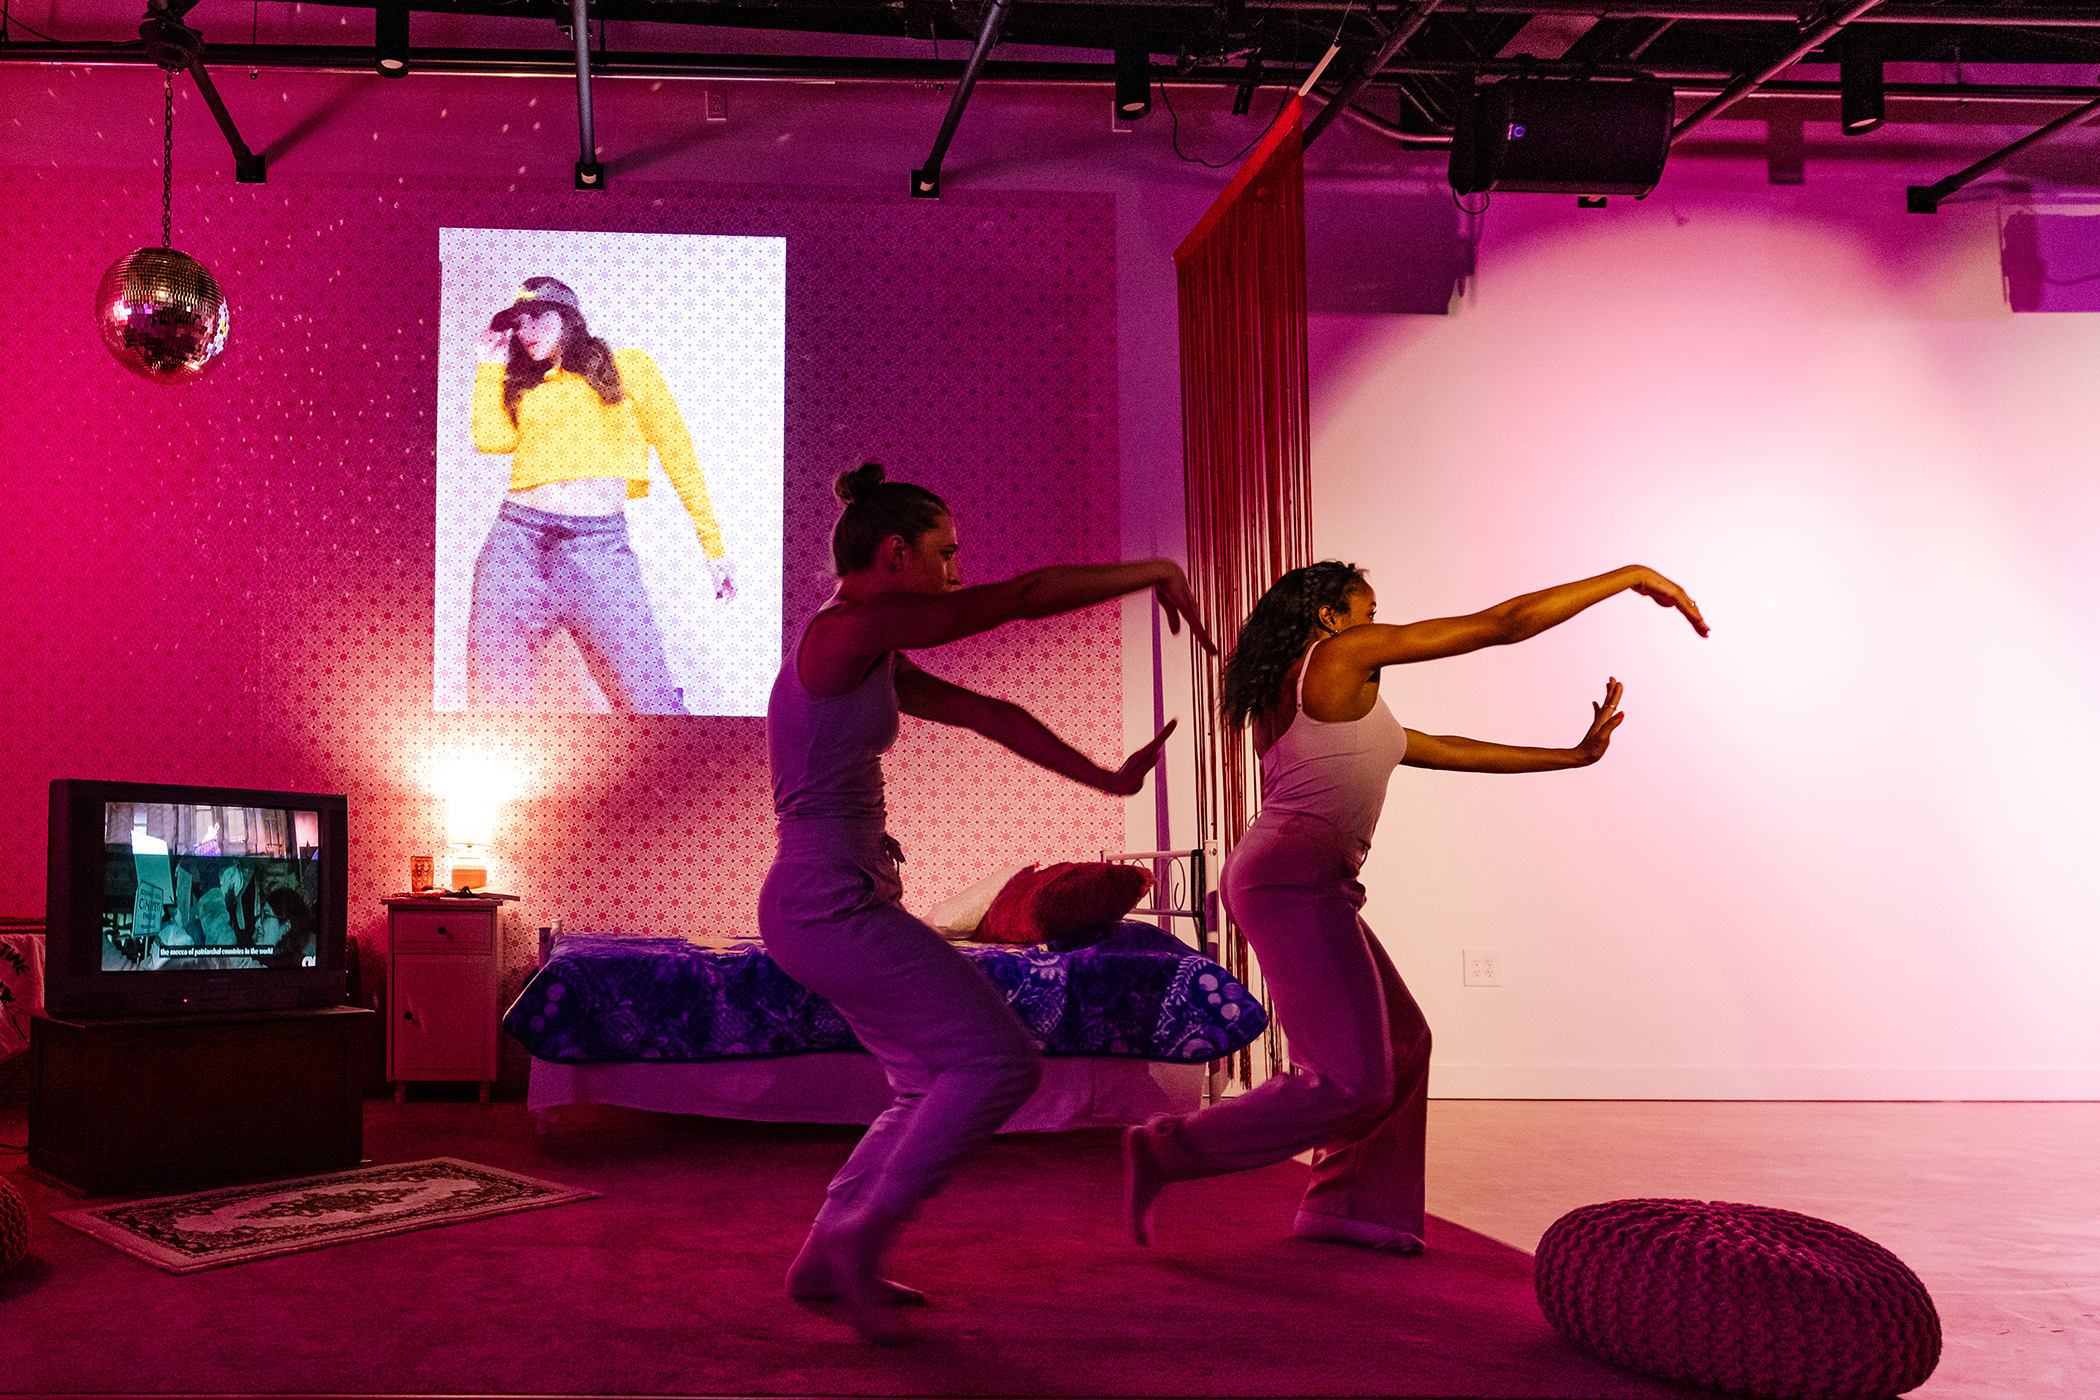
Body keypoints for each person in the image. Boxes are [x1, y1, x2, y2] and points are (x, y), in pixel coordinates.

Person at [1123, 560, 1707, 1254]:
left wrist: (1570, 756)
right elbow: (1502, 625)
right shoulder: (1338, 658)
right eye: (1368, 613)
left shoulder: (1334, 695)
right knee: (1351, 1080)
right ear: (1332, 619)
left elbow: (1440, 748)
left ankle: (1352, 1209)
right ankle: (1167, 1150)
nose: (1377, 626)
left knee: (1402, 1046)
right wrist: (1629, 577)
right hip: (1291, 881)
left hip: (1302, 880)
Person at [760, 462, 1214, 1341]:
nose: (957, 572)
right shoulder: (852, 629)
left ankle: (825, 1257)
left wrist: (1109, 780)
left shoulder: (864, 651)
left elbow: (987, 713)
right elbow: (1025, 595)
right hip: (829, 905)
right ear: (895, 553)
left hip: (830, 902)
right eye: (946, 553)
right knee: (999, 1063)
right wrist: (1154, 571)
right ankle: (865, 1238)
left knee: (924, 1079)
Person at [467, 276, 734, 714]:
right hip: (514, 544)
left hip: (598, 547)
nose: (526, 330)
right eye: (518, 322)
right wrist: (489, 364)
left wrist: (714, 547)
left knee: (651, 707)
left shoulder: (630, 366)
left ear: (567, 316)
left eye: (537, 316)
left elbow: (678, 452)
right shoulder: (527, 385)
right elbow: (492, 438)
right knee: (494, 708)